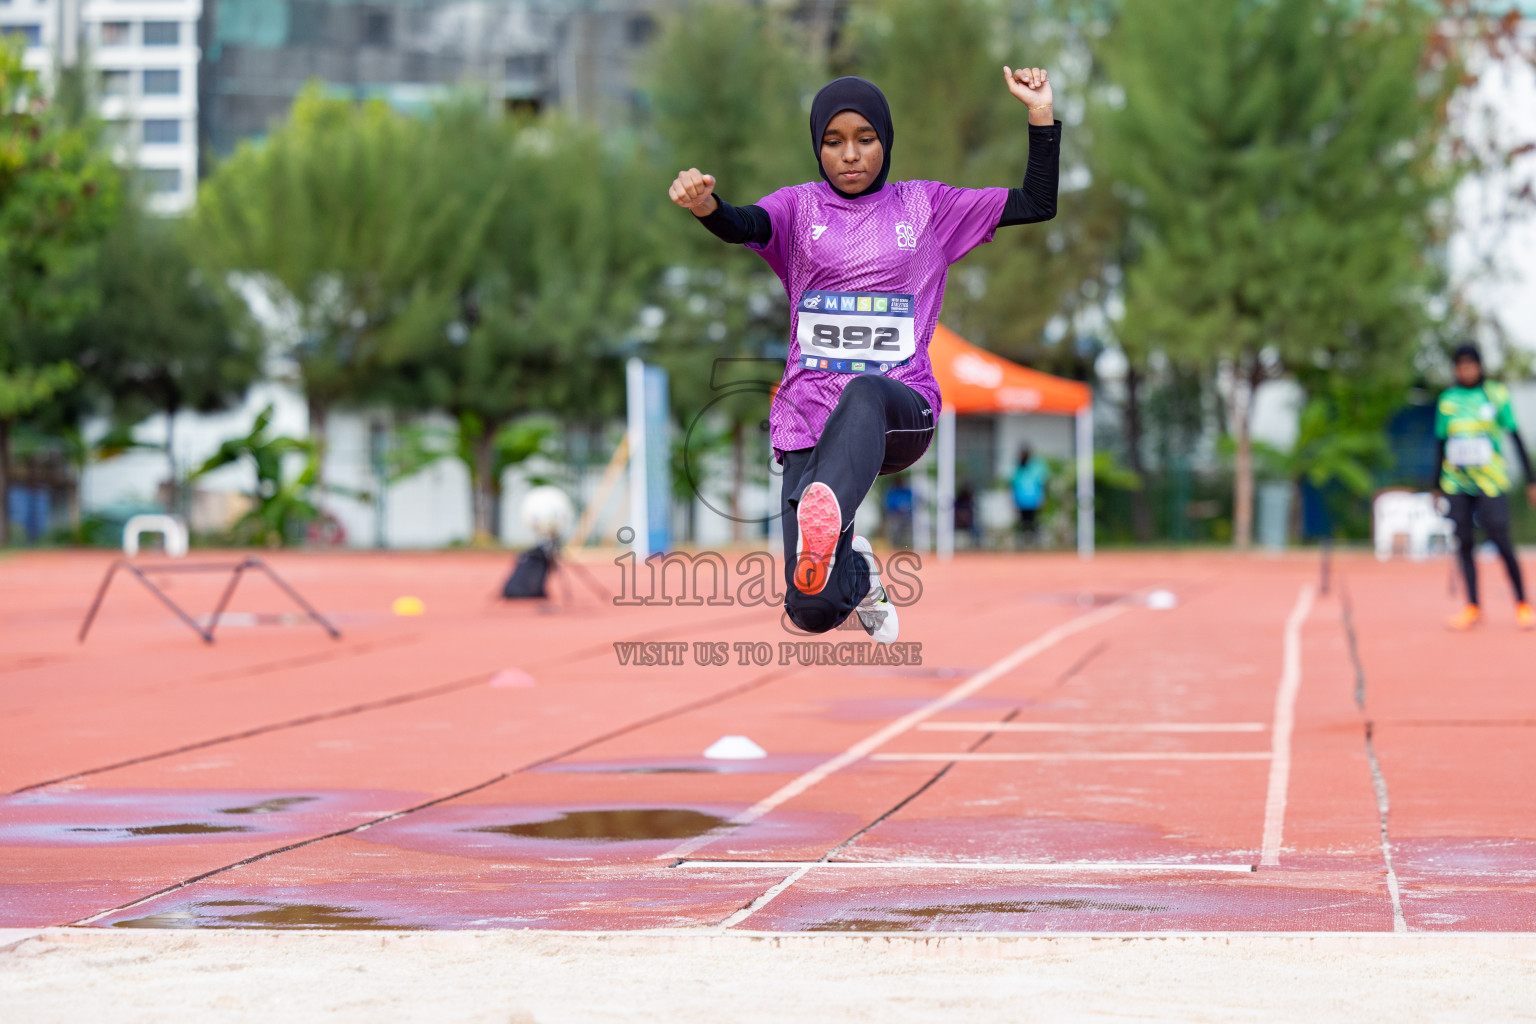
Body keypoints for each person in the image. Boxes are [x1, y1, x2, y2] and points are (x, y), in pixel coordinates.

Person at [668, 67, 1061, 643]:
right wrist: (707, 206)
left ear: (886, 141)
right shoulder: (798, 211)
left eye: (865, 139)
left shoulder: (927, 208)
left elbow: (1037, 201)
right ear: (816, 148)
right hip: (809, 422)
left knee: (863, 388)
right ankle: (855, 567)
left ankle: (828, 509)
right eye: (833, 142)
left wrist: (1039, 114)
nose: (850, 155)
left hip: (899, 411)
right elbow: (743, 223)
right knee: (810, 608)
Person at [1435, 343, 1536, 631]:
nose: (1466, 370)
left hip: (1490, 481)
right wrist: (1436, 486)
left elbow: (1515, 436)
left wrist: (1531, 479)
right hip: (1455, 482)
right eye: (1460, 365)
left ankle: (1522, 603)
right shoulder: (1448, 401)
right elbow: (1439, 443)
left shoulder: (1496, 395)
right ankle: (1473, 606)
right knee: (1463, 542)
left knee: (1501, 540)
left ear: (1480, 366)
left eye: (1471, 364)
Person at [1011, 446, 1049, 546]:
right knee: (1023, 523)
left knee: (1034, 522)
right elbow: (1013, 485)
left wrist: (1042, 498)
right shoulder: (1017, 469)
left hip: (1033, 500)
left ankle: (1035, 542)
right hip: (1021, 501)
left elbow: (1042, 484)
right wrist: (1013, 500)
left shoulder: (1036, 468)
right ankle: (1022, 543)